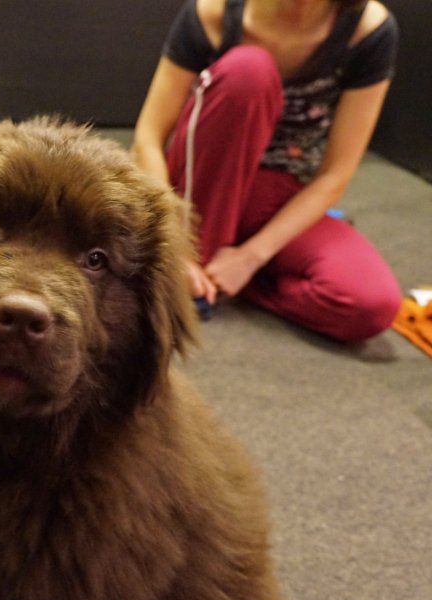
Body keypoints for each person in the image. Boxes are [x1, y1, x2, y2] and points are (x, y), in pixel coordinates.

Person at [133, 0, 403, 343]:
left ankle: (218, 279)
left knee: (370, 305)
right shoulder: (212, 12)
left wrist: (250, 258)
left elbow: (334, 175)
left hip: (280, 200)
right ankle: (191, 267)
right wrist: (174, 244)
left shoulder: (369, 31)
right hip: (196, 193)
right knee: (249, 70)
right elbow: (147, 138)